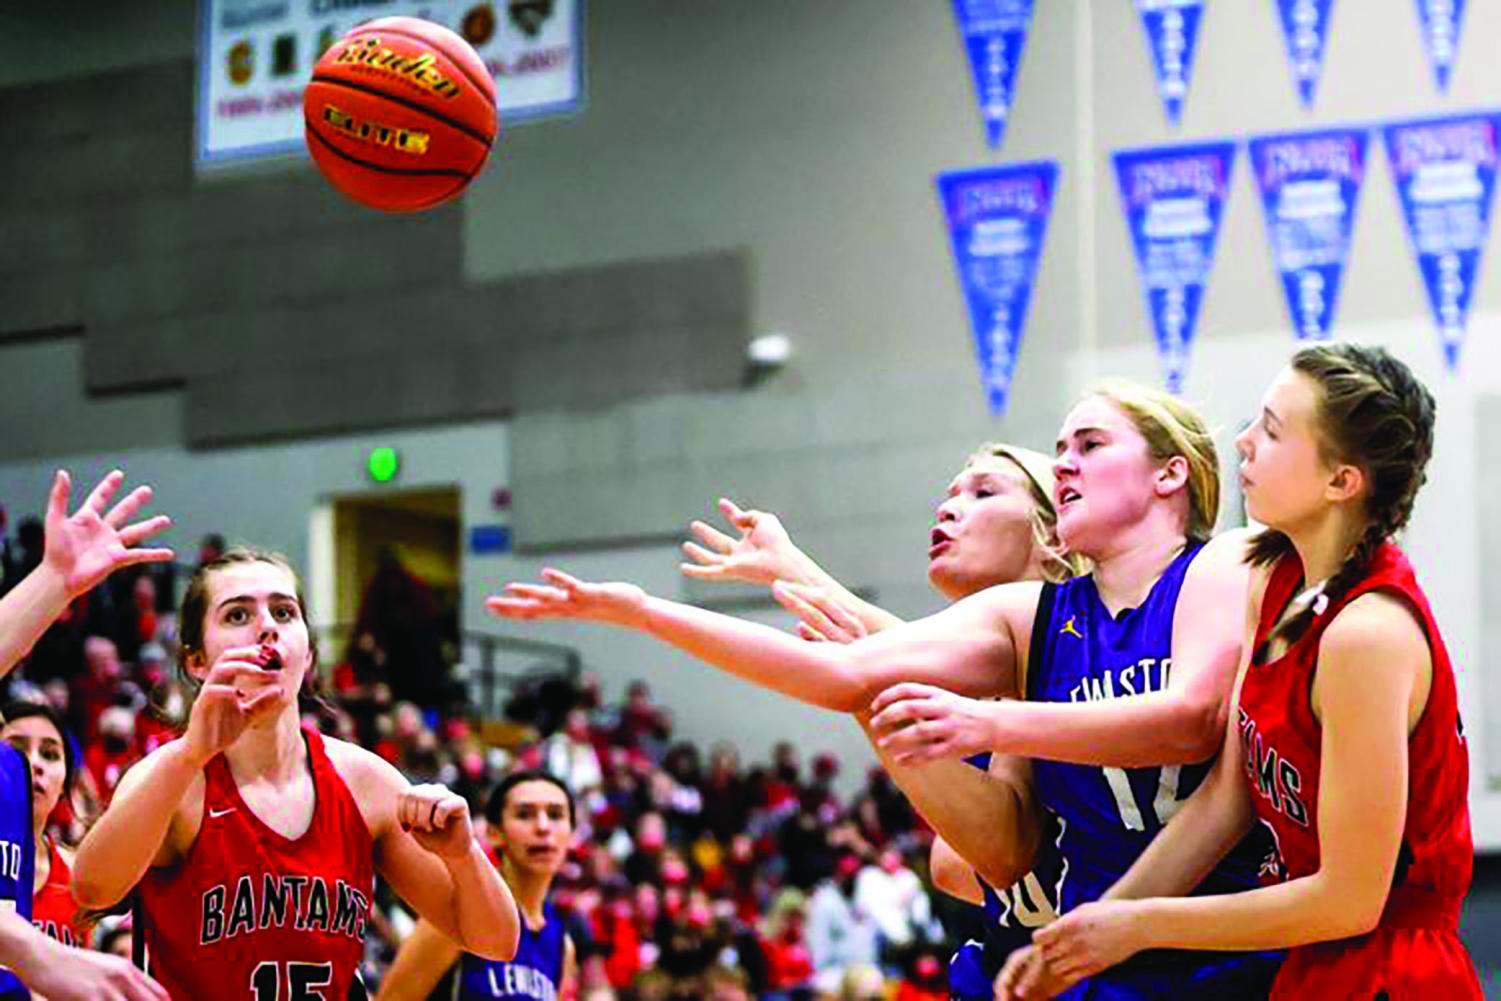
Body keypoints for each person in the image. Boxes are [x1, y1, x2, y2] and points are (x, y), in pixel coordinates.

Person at [488, 380, 1287, 998]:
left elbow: (1188, 724)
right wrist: (646, 610)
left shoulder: (1221, 566)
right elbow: (844, 670)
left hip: (1230, 945)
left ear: (1170, 473)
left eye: (1087, 443)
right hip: (1087, 959)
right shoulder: (1028, 616)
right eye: (1059, 447)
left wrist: (985, 724)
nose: (1066, 461)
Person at [1015, 344, 1480, 998]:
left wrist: (1139, 925)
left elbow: (1349, 899)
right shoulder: (1274, 581)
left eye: (1270, 428)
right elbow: (1224, 802)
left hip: (1388, 968)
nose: (1241, 441)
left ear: (1340, 481)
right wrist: (1083, 935)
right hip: (1306, 957)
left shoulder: (1365, 633)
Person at [678, 445, 1075, 997]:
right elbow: (885, 645)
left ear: (1054, 533)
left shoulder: (1075, 654)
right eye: (950, 494)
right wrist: (787, 564)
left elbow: (960, 864)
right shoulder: (1001, 669)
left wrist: (641, 613)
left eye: (983, 492)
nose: (949, 508)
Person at [72, 547, 520, 1000]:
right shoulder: (172, 777)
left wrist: (463, 856)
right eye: (237, 615)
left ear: (306, 655)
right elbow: (92, 888)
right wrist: (190, 754)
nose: (267, 626)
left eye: (284, 612)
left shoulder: (364, 781)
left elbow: (496, 941)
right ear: (196, 661)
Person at [0, 468, 172, 1001]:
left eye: (50, 752)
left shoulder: (6, 772)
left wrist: (55, 579)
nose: (34, 763)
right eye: (26, 745)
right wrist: (37, 952)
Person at [379, 769, 577, 1000]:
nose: (543, 827)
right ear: (494, 833)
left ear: (572, 834)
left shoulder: (563, 946)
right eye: (525, 814)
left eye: (555, 815)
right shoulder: (464, 908)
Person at [2, 702, 89, 950]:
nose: (34, 763)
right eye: (15, 749)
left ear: (63, 786)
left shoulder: (79, 874)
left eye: (49, 754)